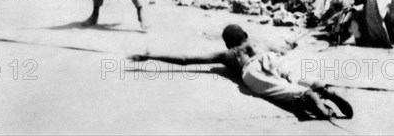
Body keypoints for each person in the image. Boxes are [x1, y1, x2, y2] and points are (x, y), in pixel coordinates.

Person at [130, 24, 353, 120]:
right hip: (272, 58)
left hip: (252, 69)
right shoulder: (259, 42)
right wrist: (292, 44)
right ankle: (320, 88)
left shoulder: (229, 55)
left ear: (228, 44)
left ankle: (306, 97)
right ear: (245, 35)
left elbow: (186, 60)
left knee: (279, 89)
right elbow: (284, 48)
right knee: (294, 75)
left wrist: (150, 56)